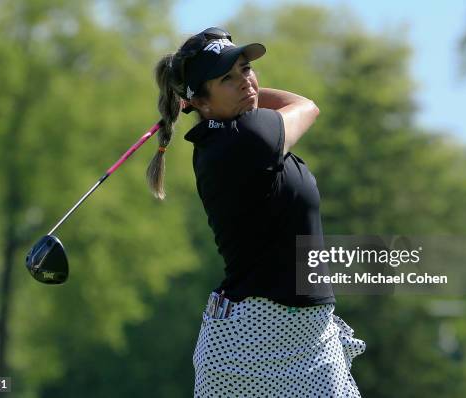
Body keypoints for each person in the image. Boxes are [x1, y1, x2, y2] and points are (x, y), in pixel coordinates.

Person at [149, 27, 366, 397]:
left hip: (307, 335)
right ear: (202, 101)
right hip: (253, 342)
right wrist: (195, 97)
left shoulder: (225, 136)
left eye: (246, 69)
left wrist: (199, 96)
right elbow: (306, 106)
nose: (246, 82)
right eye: (227, 78)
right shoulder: (246, 136)